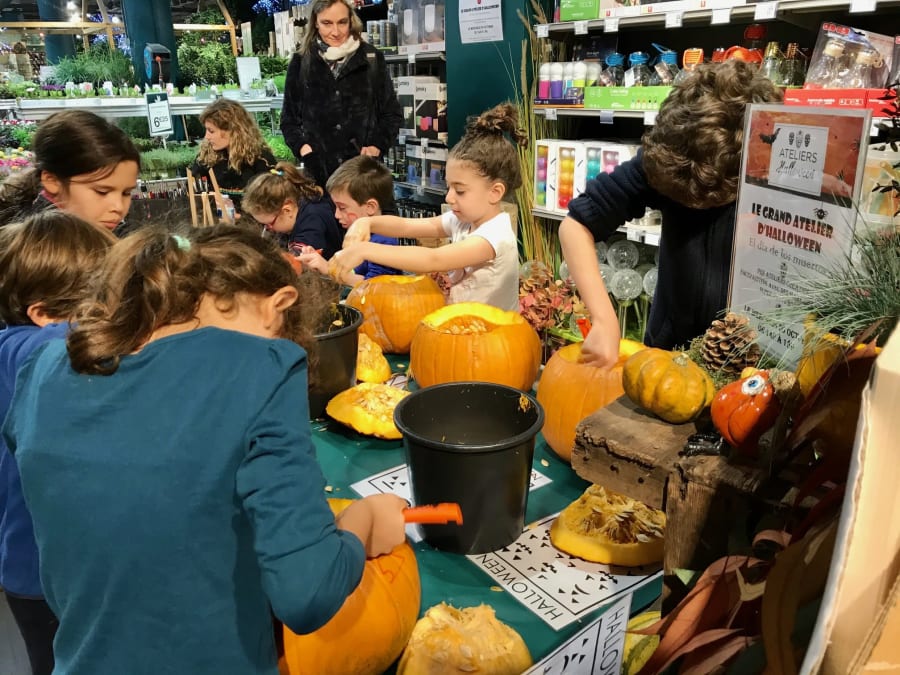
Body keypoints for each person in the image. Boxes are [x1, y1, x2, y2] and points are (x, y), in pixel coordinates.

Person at [1, 225, 408, 675]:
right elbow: (307, 594)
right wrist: (362, 523)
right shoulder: (262, 365)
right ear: (280, 304)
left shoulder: (42, 366)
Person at [558, 60, 783, 367]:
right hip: (668, 350)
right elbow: (576, 225)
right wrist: (603, 318)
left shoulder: (776, 180)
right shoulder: (670, 156)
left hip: (751, 364)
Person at [0, 211, 115, 675]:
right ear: (43, 314)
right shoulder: (33, 351)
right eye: (102, 308)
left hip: (33, 566)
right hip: (51, 570)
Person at [331, 103, 524, 311]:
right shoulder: (462, 221)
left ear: (495, 192)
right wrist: (367, 222)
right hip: (462, 326)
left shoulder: (494, 236)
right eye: (448, 186)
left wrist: (366, 249)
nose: (449, 197)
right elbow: (406, 226)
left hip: (491, 336)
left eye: (460, 191)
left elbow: (434, 258)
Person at [280, 0, 403, 188]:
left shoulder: (371, 59)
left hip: (364, 176)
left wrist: (376, 146)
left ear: (351, 21)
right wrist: (306, 152)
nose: (336, 32)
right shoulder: (301, 62)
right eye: (327, 23)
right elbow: (289, 120)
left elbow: (391, 113)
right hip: (320, 178)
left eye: (342, 22)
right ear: (315, 23)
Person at [0, 110, 140, 231]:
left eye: (126, 193)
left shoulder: (93, 232)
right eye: (102, 192)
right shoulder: (38, 253)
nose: (119, 207)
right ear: (52, 181)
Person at [297, 155, 401, 285]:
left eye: (342, 208)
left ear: (370, 207)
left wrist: (329, 270)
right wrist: (319, 263)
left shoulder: (384, 241)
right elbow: (351, 273)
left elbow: (376, 287)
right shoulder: (355, 235)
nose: (336, 215)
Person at [242, 161, 345, 259]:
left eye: (269, 224)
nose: (268, 229)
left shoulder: (311, 226)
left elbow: (297, 265)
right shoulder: (298, 205)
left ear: (287, 210)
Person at [190, 98, 276, 214]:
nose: (207, 137)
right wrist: (208, 196)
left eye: (211, 131)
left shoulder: (261, 160)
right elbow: (191, 186)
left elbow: (272, 202)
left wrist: (242, 217)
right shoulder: (207, 155)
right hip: (218, 225)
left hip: (252, 226)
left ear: (233, 131)